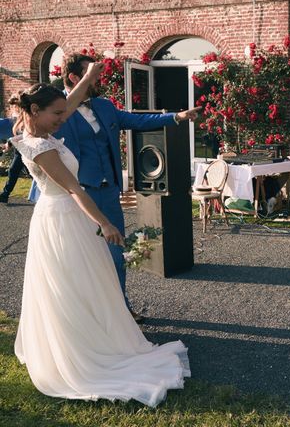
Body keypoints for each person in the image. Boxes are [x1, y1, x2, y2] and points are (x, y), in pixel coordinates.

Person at [10, 64, 189, 407]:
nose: (63, 118)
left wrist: (90, 76)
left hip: (65, 217)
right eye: (57, 114)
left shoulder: (39, 126)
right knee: (71, 284)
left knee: (89, 280)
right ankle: (78, 349)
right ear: (35, 110)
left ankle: (96, 333)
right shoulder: (39, 147)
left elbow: (68, 103)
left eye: (65, 112)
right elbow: (75, 189)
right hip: (63, 217)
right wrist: (105, 224)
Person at [44, 53, 200, 322]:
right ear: (73, 78)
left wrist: (177, 116)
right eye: (91, 74)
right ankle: (85, 317)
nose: (98, 79)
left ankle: (120, 310)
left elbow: (136, 121)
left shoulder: (103, 106)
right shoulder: (56, 110)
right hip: (76, 196)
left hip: (108, 192)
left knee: (116, 256)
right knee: (79, 260)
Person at [0, 97, 25, 203]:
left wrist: (9, 142)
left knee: (33, 173)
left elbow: (25, 135)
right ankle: (4, 195)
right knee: (13, 170)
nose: (12, 108)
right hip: (20, 151)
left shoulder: (26, 118)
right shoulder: (15, 119)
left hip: (29, 151)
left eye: (14, 106)